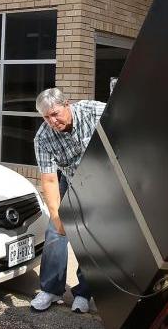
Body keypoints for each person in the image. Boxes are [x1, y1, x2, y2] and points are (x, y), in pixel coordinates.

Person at [29, 87, 106, 314]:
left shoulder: (91, 111)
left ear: (67, 104)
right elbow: (50, 181)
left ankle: (83, 292)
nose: (52, 121)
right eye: (46, 117)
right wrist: (56, 216)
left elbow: (125, 116)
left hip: (103, 181)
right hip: (69, 180)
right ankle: (51, 290)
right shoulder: (43, 138)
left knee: (91, 236)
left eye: (55, 114)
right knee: (55, 231)